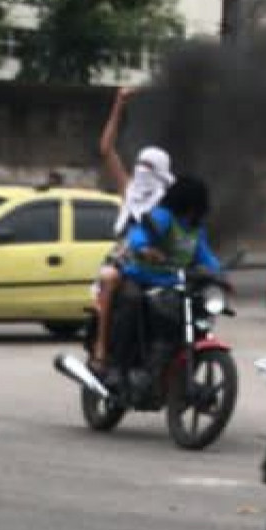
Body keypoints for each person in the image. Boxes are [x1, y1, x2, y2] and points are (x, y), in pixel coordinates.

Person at [112, 175, 223, 399]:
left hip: (172, 284)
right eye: (191, 206)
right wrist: (144, 249)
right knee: (132, 304)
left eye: (197, 207)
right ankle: (118, 369)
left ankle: (173, 371)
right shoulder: (163, 217)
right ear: (183, 202)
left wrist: (220, 275)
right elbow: (138, 235)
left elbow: (206, 256)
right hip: (141, 278)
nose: (194, 211)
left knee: (196, 315)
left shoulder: (195, 229)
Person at [90, 86, 172, 374]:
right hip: (125, 260)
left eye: (150, 168)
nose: (143, 172)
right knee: (112, 280)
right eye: (141, 166)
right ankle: (102, 349)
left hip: (160, 264)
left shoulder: (168, 201)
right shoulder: (129, 189)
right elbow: (106, 149)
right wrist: (118, 104)